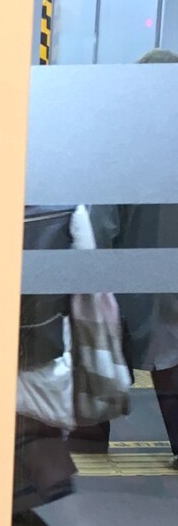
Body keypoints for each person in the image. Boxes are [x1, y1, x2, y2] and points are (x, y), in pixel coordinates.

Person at [14, 206, 119, 526]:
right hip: (34, 366)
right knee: (11, 514)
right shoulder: (54, 200)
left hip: (15, 376)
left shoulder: (25, 200)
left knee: (11, 514)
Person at [80, 50, 178, 466]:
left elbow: (102, 223)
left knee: (107, 348)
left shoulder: (125, 144)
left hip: (139, 278)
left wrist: (89, 274)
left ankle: (91, 440)